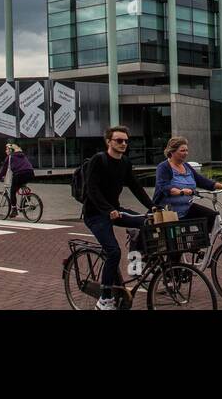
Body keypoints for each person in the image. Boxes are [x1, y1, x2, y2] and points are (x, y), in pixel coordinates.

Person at [80, 125, 154, 310]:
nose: (123, 144)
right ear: (108, 141)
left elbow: (135, 186)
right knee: (113, 252)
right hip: (95, 214)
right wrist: (107, 209)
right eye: (119, 140)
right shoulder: (98, 160)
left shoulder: (125, 163)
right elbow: (92, 189)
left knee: (147, 222)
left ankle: (136, 265)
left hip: (115, 210)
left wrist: (153, 206)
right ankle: (104, 299)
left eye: (126, 141)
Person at [152, 136, 222, 241]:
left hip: (186, 208)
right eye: (182, 150)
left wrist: (220, 186)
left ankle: (198, 242)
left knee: (212, 216)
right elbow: (164, 186)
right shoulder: (163, 167)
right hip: (169, 212)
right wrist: (180, 192)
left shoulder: (186, 166)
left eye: (186, 150)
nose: (186, 153)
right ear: (172, 152)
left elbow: (200, 180)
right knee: (176, 247)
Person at [0, 143, 34, 217]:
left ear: (10, 150)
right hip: (30, 173)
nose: (5, 151)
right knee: (22, 184)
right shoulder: (22, 155)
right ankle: (26, 200)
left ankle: (14, 210)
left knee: (12, 191)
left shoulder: (10, 157)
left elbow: (4, 169)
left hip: (20, 174)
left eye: (6, 149)